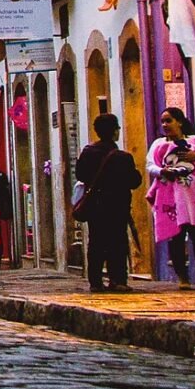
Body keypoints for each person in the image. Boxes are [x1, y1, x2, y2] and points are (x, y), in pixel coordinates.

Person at [147, 107, 195, 290]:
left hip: (194, 194)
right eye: (163, 121)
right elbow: (150, 165)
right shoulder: (158, 144)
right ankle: (183, 277)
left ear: (179, 122)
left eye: (169, 120)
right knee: (176, 236)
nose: (165, 125)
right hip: (170, 195)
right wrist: (162, 171)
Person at [76, 113, 142, 293]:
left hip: (95, 206)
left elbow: (80, 175)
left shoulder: (88, 152)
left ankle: (95, 281)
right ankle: (118, 279)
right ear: (114, 132)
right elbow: (135, 181)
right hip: (117, 206)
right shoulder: (123, 157)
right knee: (117, 242)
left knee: (96, 242)